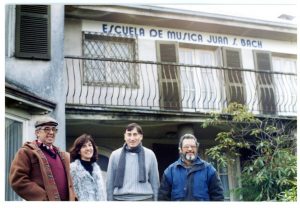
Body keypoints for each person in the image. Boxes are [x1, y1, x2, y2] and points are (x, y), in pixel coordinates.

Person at [9, 115, 76, 201]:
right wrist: (44, 198)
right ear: (37, 133)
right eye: (47, 129)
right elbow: (18, 180)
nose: (51, 132)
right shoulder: (26, 152)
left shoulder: (63, 155)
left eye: (54, 129)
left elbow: (70, 184)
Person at [158, 133, 224, 201]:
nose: (190, 149)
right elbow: (163, 199)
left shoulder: (209, 170)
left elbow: (218, 198)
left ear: (197, 148)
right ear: (180, 149)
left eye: (193, 146)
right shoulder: (170, 172)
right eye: (186, 146)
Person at [106, 123, 160, 201]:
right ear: (124, 136)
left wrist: (156, 202)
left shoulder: (150, 154)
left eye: (135, 134)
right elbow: (109, 183)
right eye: (129, 134)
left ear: (141, 136)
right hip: (120, 200)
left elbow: (155, 182)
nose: (132, 138)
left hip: (145, 199)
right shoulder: (115, 155)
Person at [69, 134, 106, 201]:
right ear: (78, 151)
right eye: (84, 146)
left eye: (90, 145)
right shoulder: (73, 169)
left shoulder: (97, 169)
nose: (88, 148)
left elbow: (102, 194)